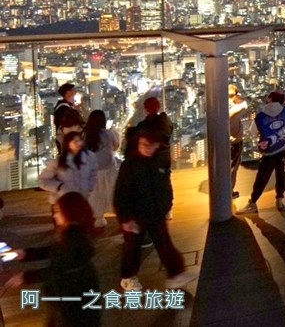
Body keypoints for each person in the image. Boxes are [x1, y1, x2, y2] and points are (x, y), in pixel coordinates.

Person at [114, 129, 198, 291]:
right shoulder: (130, 166)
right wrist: (125, 219)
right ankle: (127, 277)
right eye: (144, 145)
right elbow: (121, 195)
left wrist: (166, 206)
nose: (148, 148)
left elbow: (165, 187)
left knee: (164, 244)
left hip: (155, 212)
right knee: (132, 247)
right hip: (135, 214)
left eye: (152, 145)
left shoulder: (157, 162)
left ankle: (176, 275)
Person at [4, 192, 100, 327]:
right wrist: (25, 254)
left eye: (59, 211)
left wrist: (25, 277)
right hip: (74, 289)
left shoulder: (74, 237)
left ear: (69, 212)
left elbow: (58, 270)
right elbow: (54, 252)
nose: (55, 216)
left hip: (72, 292)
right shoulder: (73, 232)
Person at [238, 90, 285, 214]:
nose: (266, 98)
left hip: (269, 151)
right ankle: (279, 200)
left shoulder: (260, 116)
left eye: (268, 96)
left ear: (271, 99)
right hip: (283, 148)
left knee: (262, 178)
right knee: (281, 175)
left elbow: (253, 132)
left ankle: (253, 202)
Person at [39, 131, 97, 208]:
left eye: (80, 140)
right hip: (63, 200)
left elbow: (93, 174)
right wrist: (59, 187)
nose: (79, 143)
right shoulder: (59, 161)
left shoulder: (89, 157)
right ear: (68, 143)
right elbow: (43, 180)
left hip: (82, 199)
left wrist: (89, 187)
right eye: (75, 141)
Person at [83, 109, 119, 228]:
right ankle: (119, 212)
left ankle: (99, 218)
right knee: (113, 192)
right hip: (108, 168)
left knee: (95, 195)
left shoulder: (85, 135)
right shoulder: (108, 133)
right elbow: (116, 146)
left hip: (92, 170)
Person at [52, 82, 85, 153]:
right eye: (73, 90)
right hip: (68, 144)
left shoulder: (63, 107)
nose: (75, 92)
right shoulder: (63, 109)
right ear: (68, 92)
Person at [229, 84, 248, 198]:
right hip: (235, 143)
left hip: (222, 142)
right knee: (232, 168)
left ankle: (222, 190)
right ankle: (229, 192)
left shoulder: (220, 108)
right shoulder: (236, 109)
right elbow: (245, 103)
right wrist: (239, 98)